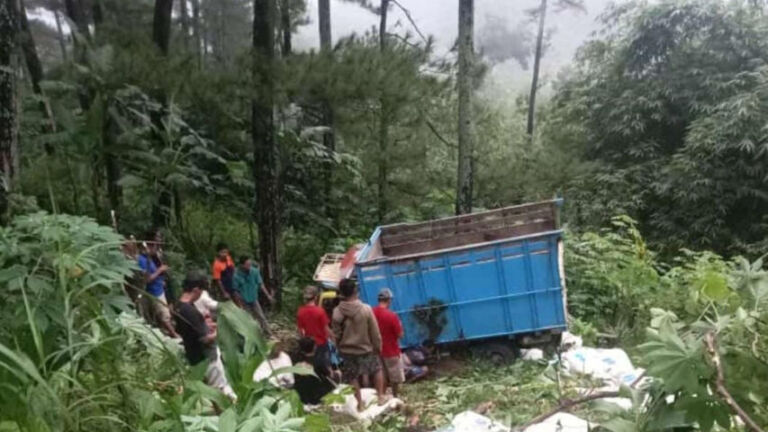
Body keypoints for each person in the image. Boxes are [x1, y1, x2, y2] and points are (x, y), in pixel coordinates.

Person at [331, 278, 384, 411]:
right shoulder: (366, 309)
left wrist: (338, 350)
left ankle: (359, 403)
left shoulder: (337, 312)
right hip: (366, 349)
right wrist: (378, 347)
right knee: (376, 370)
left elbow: (336, 335)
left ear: (342, 293)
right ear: (355, 291)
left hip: (347, 352)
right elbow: (375, 332)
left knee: (352, 377)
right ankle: (381, 396)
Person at [137, 237, 178, 338]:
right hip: (154, 292)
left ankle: (169, 333)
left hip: (160, 288)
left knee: (166, 313)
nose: (156, 250)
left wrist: (161, 280)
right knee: (164, 315)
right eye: (155, 247)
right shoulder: (142, 260)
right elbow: (147, 279)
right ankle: (174, 335)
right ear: (149, 247)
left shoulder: (150, 259)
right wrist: (160, 270)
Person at [373, 288, 405, 397]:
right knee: (394, 377)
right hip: (391, 350)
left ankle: (381, 395)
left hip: (376, 350)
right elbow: (400, 335)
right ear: (389, 300)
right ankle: (395, 397)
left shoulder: (371, 312)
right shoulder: (392, 316)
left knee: (381, 374)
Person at [297, 286, 334, 378]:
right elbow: (326, 329)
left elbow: (300, 330)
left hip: (309, 345)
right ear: (316, 297)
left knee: (310, 367)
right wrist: (334, 340)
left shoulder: (300, 311)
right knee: (326, 366)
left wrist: (303, 342)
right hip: (321, 343)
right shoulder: (320, 311)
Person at [233, 256, 272, 336]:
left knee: (261, 316)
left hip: (253, 298)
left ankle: (268, 332)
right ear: (242, 265)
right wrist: (239, 302)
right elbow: (235, 290)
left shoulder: (254, 272)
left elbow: (261, 284)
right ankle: (251, 335)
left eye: (250, 264)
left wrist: (268, 295)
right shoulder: (236, 275)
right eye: (247, 264)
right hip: (244, 300)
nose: (249, 266)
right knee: (248, 318)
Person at [292, 337, 336, 405]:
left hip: (301, 393)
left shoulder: (296, 361)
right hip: (316, 394)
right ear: (314, 347)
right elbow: (328, 374)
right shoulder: (318, 362)